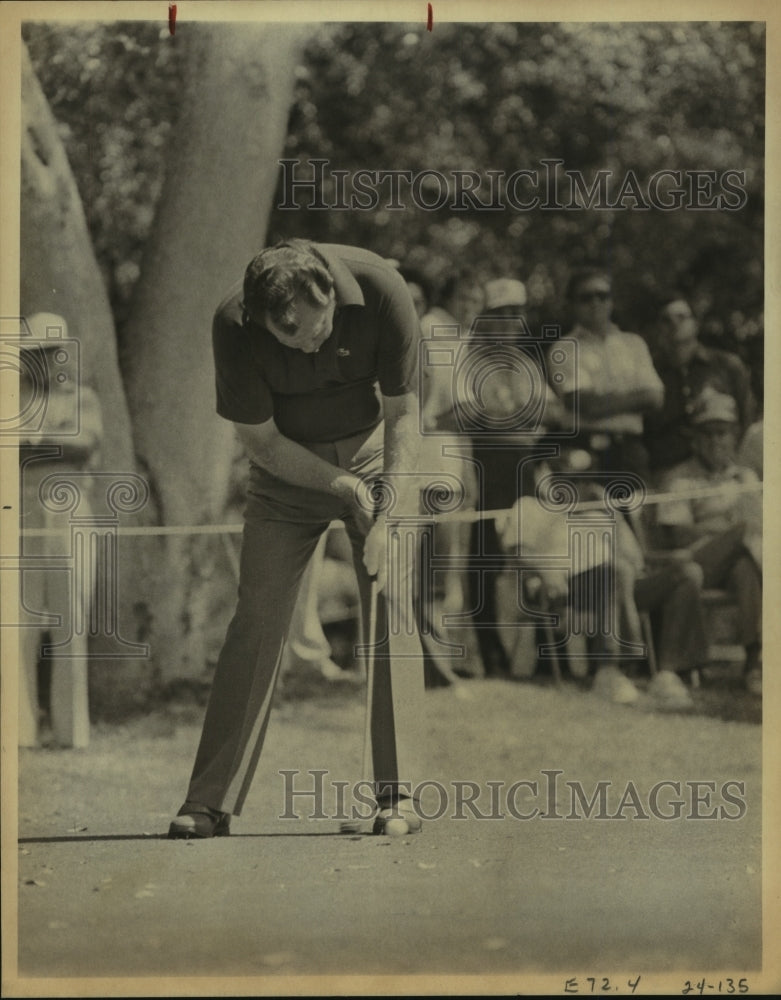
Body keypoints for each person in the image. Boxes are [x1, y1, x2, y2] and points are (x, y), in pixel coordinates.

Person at [168, 240, 426, 838]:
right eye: (292, 341)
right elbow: (260, 443)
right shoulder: (232, 324)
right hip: (287, 467)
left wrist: (386, 512)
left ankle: (399, 796)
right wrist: (338, 486)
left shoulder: (383, 287)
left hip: (372, 454)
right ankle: (209, 801)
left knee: (392, 601)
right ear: (261, 321)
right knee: (256, 617)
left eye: (318, 330)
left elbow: (406, 414)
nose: (310, 345)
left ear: (331, 293)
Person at [497, 487, 708, 708]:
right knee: (614, 573)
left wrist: (611, 514)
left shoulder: (598, 508)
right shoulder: (530, 506)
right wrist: (546, 570)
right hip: (565, 584)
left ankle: (668, 673)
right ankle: (610, 670)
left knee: (687, 573)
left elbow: (635, 560)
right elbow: (518, 553)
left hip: (620, 581)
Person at [466, 277, 564, 677]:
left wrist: (523, 415)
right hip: (485, 464)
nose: (510, 322)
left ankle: (542, 648)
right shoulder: (470, 359)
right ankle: (489, 648)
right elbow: (480, 416)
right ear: (486, 318)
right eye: (500, 314)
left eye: (516, 313)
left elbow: (557, 414)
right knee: (484, 557)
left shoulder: (526, 364)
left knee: (533, 549)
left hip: (524, 463)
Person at [18, 313, 103, 747]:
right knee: (19, 623)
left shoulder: (82, 399)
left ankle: (72, 734)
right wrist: (47, 445)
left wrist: (33, 444)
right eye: (34, 354)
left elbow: (84, 444)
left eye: (49, 353)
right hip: (21, 514)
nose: (43, 361)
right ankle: (19, 730)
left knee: (71, 620)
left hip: (69, 512)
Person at [654, 388, 762, 695]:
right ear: (695, 438)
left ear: (735, 435)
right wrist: (727, 535)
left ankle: (754, 665)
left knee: (746, 567)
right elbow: (679, 533)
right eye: (708, 433)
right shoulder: (680, 478)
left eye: (723, 432)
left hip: (740, 562)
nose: (716, 441)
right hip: (695, 564)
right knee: (747, 535)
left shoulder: (746, 478)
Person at [549, 266, 664, 483]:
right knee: (591, 516)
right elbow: (584, 403)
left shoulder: (634, 344)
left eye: (603, 295)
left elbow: (655, 397)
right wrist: (633, 397)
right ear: (572, 304)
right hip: (586, 451)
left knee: (639, 515)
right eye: (586, 297)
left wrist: (602, 400)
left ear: (612, 301)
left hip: (631, 450)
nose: (595, 303)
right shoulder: (564, 349)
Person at [644, 294, 757, 476]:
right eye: (666, 320)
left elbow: (746, 417)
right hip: (666, 472)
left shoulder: (727, 365)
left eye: (682, 317)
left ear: (695, 324)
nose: (674, 324)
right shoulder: (648, 372)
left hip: (724, 470)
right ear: (658, 329)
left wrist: (735, 463)